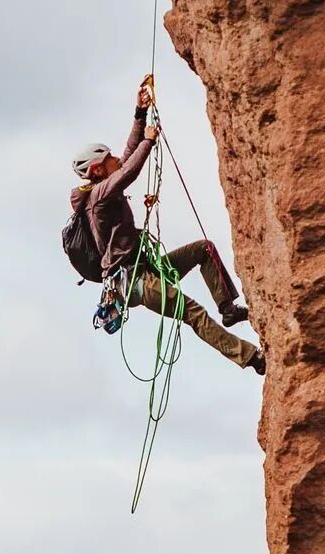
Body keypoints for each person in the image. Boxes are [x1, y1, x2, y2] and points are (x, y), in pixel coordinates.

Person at [69, 78, 265, 374]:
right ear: (97, 170)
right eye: (109, 159)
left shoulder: (104, 187)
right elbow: (129, 170)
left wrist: (140, 113)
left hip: (146, 268)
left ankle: (228, 309)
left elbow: (127, 158)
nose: (116, 158)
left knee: (204, 250)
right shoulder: (98, 197)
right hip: (134, 281)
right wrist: (148, 141)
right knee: (193, 313)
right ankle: (251, 358)